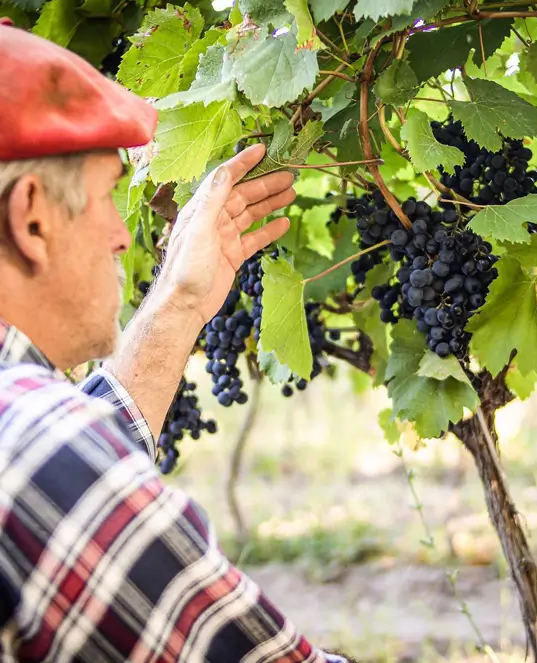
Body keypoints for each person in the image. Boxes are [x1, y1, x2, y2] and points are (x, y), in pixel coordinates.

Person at [0, 24, 349, 663]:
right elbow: (61, 465)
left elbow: (68, 469)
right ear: (31, 217)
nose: (121, 236)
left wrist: (180, 301)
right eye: (107, 195)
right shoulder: (40, 451)